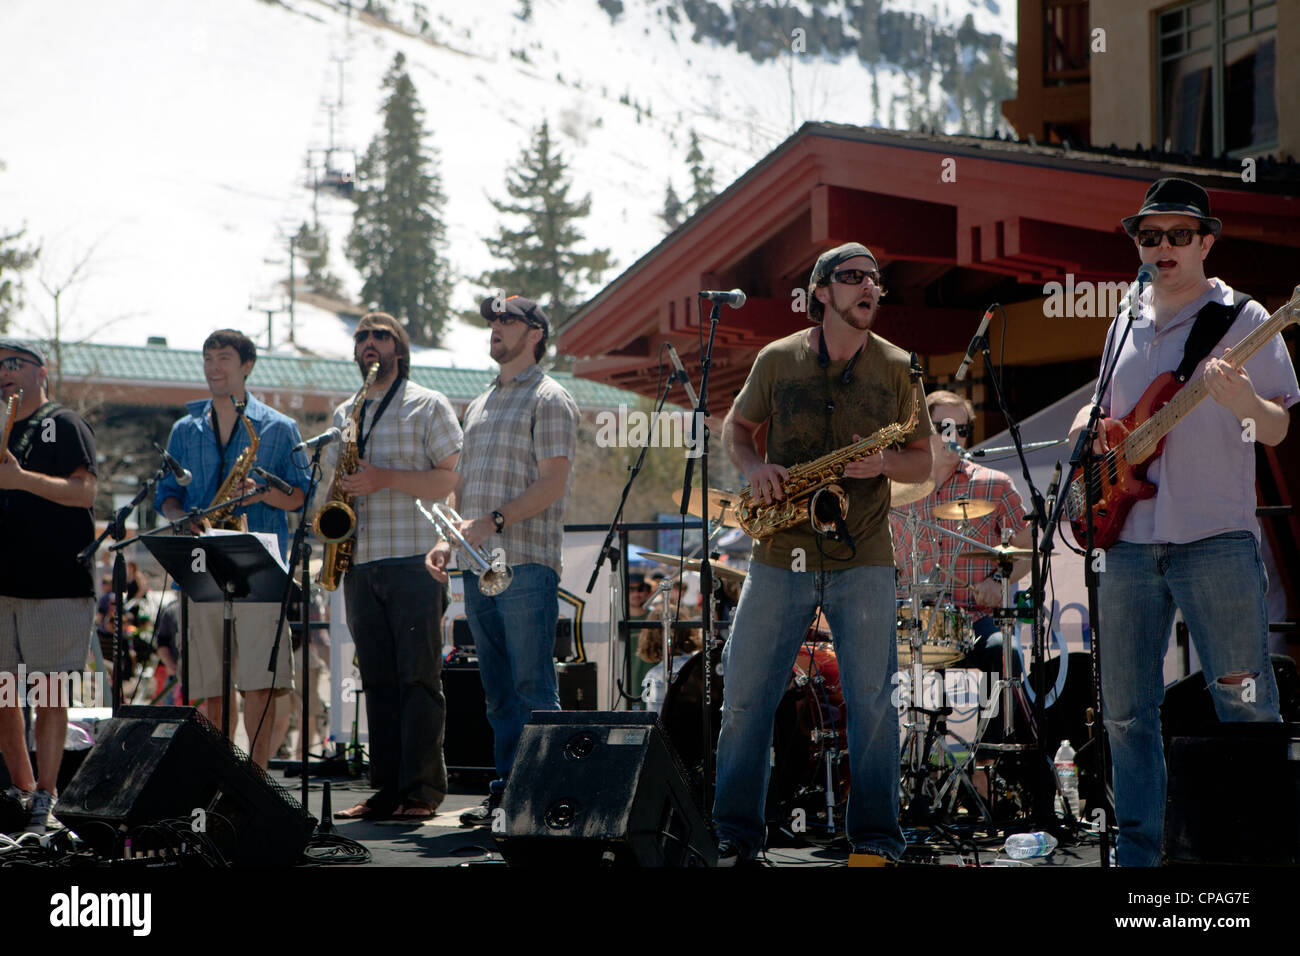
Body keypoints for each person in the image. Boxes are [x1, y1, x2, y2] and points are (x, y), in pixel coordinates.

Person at [1067, 178, 1298, 866]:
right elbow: (1105, 414)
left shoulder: (1248, 316)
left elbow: (1276, 429)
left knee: (1247, 705)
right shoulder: (1122, 320)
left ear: (1205, 242)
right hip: (1129, 545)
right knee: (1126, 713)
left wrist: (1242, 399)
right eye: (1149, 236)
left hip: (1214, 541)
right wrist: (1087, 429)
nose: (1161, 247)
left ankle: (1258, 859)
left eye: (1177, 235)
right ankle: (1141, 859)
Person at [712, 243, 933, 865]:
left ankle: (875, 841)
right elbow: (735, 428)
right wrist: (754, 468)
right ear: (821, 290)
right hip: (779, 549)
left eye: (875, 279)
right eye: (853, 277)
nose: (869, 287)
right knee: (746, 698)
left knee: (872, 705)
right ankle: (735, 834)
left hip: (863, 555)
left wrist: (885, 461)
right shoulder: (776, 360)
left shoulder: (898, 368)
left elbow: (922, 457)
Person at [426, 295, 577, 827]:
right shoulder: (480, 402)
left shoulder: (550, 398)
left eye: (508, 320)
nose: (495, 327)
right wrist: (449, 535)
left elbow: (553, 484)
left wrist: (489, 521)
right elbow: (460, 485)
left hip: (526, 563)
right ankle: (510, 794)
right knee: (497, 695)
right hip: (477, 563)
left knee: (534, 689)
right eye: (492, 320)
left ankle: (547, 801)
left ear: (535, 333)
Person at [329, 312, 462, 822]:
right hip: (360, 562)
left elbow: (447, 481)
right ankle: (385, 790)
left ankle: (423, 790)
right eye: (361, 336)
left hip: (413, 560)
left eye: (380, 335)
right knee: (379, 683)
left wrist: (384, 477)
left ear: (398, 349)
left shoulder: (428, 404)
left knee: (418, 680)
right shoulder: (347, 412)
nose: (368, 343)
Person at [156, 329, 309, 768]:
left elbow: (302, 495)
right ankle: (218, 774)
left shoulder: (280, 428)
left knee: (259, 680)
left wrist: (261, 493)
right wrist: (179, 518)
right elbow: (166, 494)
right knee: (209, 683)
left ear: (247, 365)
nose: (213, 367)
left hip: (258, 565)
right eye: (207, 358)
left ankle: (254, 779)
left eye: (223, 358)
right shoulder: (185, 430)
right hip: (202, 565)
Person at [0, 339, 98, 833]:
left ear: (43, 372)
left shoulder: (64, 424)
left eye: (15, 363)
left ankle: (47, 793)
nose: (4, 372)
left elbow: (86, 491)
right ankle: (20, 789)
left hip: (56, 583)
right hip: (4, 585)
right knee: (2, 694)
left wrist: (22, 481)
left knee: (50, 693)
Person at [890, 390, 1031, 676]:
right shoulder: (894, 487)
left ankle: (995, 723)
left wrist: (997, 582)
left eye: (962, 429)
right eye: (944, 428)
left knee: (1006, 654)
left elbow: (1028, 550)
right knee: (863, 656)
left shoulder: (995, 484)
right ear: (922, 429)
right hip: (911, 619)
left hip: (974, 619)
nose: (954, 437)